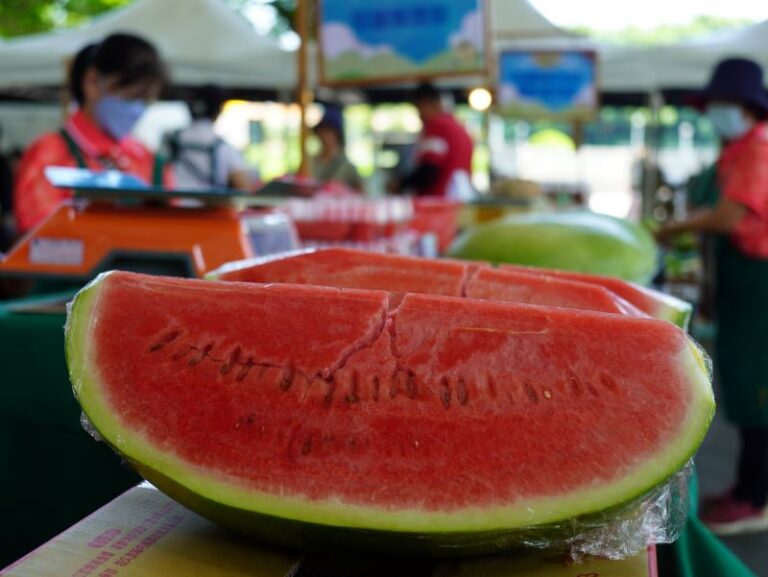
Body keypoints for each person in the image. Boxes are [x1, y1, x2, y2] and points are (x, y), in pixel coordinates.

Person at [655, 57, 768, 535]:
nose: (718, 111)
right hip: (743, 282)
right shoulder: (736, 148)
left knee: (757, 391)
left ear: (745, 106)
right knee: (744, 388)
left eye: (726, 103)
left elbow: (726, 218)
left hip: (759, 281)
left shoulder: (758, 148)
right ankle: (747, 487)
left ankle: (756, 498)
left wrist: (672, 228)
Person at [13, 33, 170, 235]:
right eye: (130, 97)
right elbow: (37, 234)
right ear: (92, 82)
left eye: (146, 100)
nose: (137, 109)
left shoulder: (150, 160)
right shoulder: (49, 154)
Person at [391, 82, 474, 199]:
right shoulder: (458, 127)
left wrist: (401, 184)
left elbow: (429, 170)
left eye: (418, 108)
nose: (419, 115)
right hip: (458, 201)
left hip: (439, 202)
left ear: (427, 103)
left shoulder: (437, 125)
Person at [165, 85, 251, 191]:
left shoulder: (170, 139)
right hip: (209, 207)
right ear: (217, 111)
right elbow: (243, 187)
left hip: (171, 206)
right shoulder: (224, 148)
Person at [309, 106, 363, 191]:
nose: (325, 135)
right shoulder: (310, 162)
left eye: (329, 131)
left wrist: (343, 190)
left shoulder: (347, 165)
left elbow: (361, 191)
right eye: (322, 131)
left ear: (337, 134)